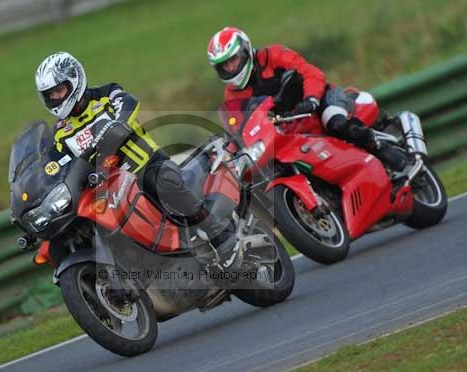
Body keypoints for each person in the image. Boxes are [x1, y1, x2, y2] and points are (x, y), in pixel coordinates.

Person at [34, 52, 241, 282]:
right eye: (50, 95)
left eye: (58, 91)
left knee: (162, 182)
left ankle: (217, 232)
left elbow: (128, 103)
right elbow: (58, 165)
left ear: (74, 81)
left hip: (144, 166)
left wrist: (118, 122)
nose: (55, 98)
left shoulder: (105, 94)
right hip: (106, 185)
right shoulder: (61, 133)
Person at [207, 27, 406, 172]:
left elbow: (310, 72)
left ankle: (381, 148)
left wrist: (311, 98)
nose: (231, 68)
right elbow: (240, 128)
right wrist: (230, 149)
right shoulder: (232, 94)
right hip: (289, 122)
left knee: (335, 123)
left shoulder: (273, 55)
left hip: (322, 99)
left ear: (244, 51)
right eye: (224, 65)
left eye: (232, 60)